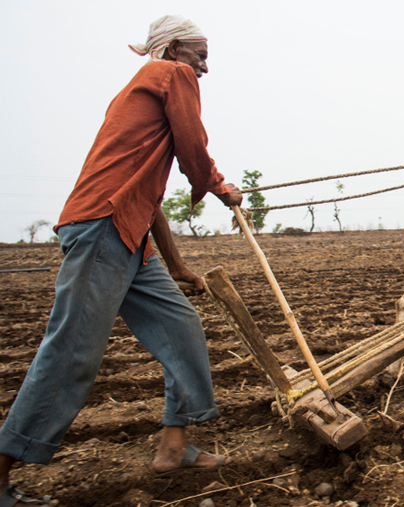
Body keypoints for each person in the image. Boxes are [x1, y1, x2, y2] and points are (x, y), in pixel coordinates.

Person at [0, 15, 242, 505]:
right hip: (101, 229)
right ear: (174, 49)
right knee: (71, 353)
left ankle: (174, 446)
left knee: (182, 329)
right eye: (201, 55)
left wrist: (175, 267)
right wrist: (220, 188)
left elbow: (146, 199)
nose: (205, 68)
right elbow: (194, 147)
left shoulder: (146, 92)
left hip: (129, 231)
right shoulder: (172, 76)